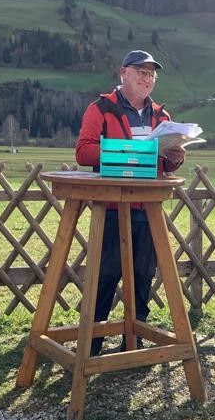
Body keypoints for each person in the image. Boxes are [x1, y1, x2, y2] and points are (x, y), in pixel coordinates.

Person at [75, 50, 186, 355]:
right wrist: (129, 152)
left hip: (148, 209)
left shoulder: (162, 117)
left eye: (151, 74)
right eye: (141, 72)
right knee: (105, 276)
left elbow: (165, 164)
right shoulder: (100, 109)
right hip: (112, 208)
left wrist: (175, 158)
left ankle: (134, 340)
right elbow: (83, 152)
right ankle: (92, 344)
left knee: (143, 276)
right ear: (123, 72)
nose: (146, 79)